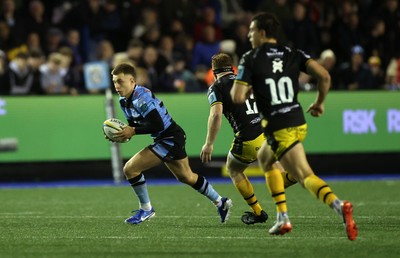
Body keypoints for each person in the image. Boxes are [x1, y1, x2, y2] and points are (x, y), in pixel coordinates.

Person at [230, 12, 358, 241]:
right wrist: (319, 103)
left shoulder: (250, 57)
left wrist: (245, 86)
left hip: (279, 126)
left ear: (261, 32)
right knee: (266, 159)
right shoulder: (293, 53)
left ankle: (338, 205)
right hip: (298, 120)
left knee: (303, 175)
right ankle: (282, 217)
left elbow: (237, 97)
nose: (249, 35)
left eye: (251, 31)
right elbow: (325, 76)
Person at [108, 62, 232, 225]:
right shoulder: (124, 100)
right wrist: (125, 134)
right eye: (115, 81)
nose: (117, 85)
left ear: (132, 81)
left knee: (130, 169)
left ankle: (146, 209)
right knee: (186, 177)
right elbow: (135, 126)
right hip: (171, 137)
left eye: (120, 81)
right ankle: (221, 202)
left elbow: (157, 125)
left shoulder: (141, 97)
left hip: (169, 138)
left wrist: (132, 131)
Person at [201, 53, 297, 225]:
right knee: (277, 174)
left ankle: (258, 212)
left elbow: (216, 115)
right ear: (232, 67)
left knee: (234, 170)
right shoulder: (246, 80)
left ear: (214, 71)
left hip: (249, 137)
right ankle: (297, 175)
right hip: (267, 132)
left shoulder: (216, 87)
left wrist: (209, 144)